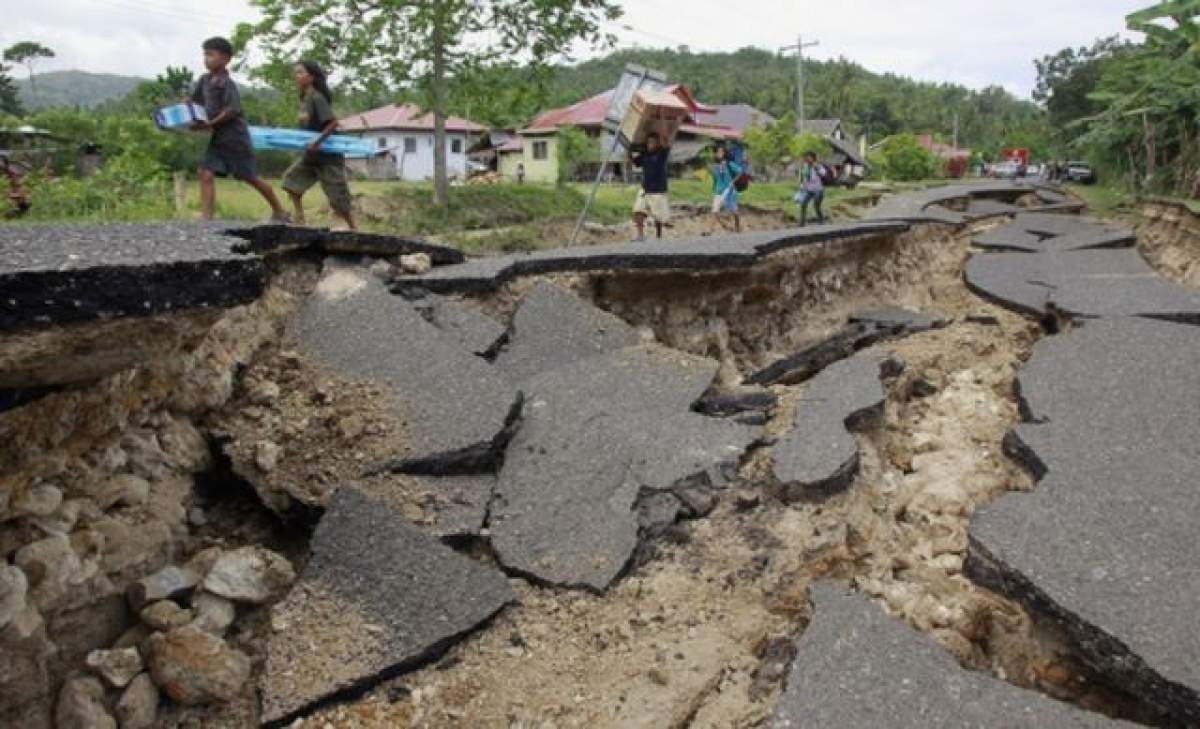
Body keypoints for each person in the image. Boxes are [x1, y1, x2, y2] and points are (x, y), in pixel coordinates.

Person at [190, 37, 288, 222]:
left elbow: (232, 110)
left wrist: (209, 124)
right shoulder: (204, 81)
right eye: (205, 55)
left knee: (249, 176)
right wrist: (186, 115)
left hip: (235, 138)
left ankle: (279, 211)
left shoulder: (226, 84)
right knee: (205, 172)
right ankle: (206, 219)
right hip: (218, 138)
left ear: (225, 59)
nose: (206, 59)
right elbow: (195, 103)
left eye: (211, 55)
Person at [281, 61, 355, 229]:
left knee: (338, 198)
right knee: (291, 182)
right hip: (311, 155)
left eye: (300, 73)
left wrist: (318, 141)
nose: (296, 76)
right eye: (296, 73)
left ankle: (353, 227)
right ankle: (300, 217)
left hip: (328, 156)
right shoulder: (305, 98)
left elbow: (333, 123)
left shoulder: (316, 97)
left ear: (311, 77)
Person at [631, 131, 671, 242]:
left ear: (658, 143)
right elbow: (634, 161)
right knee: (638, 210)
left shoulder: (662, 153)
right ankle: (640, 235)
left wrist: (662, 117)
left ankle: (658, 236)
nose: (650, 145)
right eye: (649, 142)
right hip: (645, 189)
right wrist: (629, 149)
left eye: (653, 142)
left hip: (658, 190)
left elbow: (666, 141)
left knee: (658, 216)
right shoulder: (644, 154)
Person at [710, 145, 742, 233]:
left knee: (734, 209)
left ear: (724, 153)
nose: (719, 153)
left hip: (728, 190)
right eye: (717, 152)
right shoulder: (715, 166)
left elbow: (740, 171)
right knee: (715, 211)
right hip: (718, 190)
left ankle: (737, 226)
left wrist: (733, 182)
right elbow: (716, 179)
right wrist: (714, 189)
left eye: (721, 152)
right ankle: (713, 229)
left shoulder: (729, 163)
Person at [795, 151, 826, 227]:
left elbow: (823, 173)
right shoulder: (804, 166)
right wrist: (802, 185)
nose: (807, 159)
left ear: (813, 158)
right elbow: (802, 176)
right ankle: (802, 222)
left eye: (809, 157)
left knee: (816, 205)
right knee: (803, 204)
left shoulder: (817, 165)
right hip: (808, 190)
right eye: (806, 157)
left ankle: (821, 220)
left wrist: (817, 168)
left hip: (818, 190)